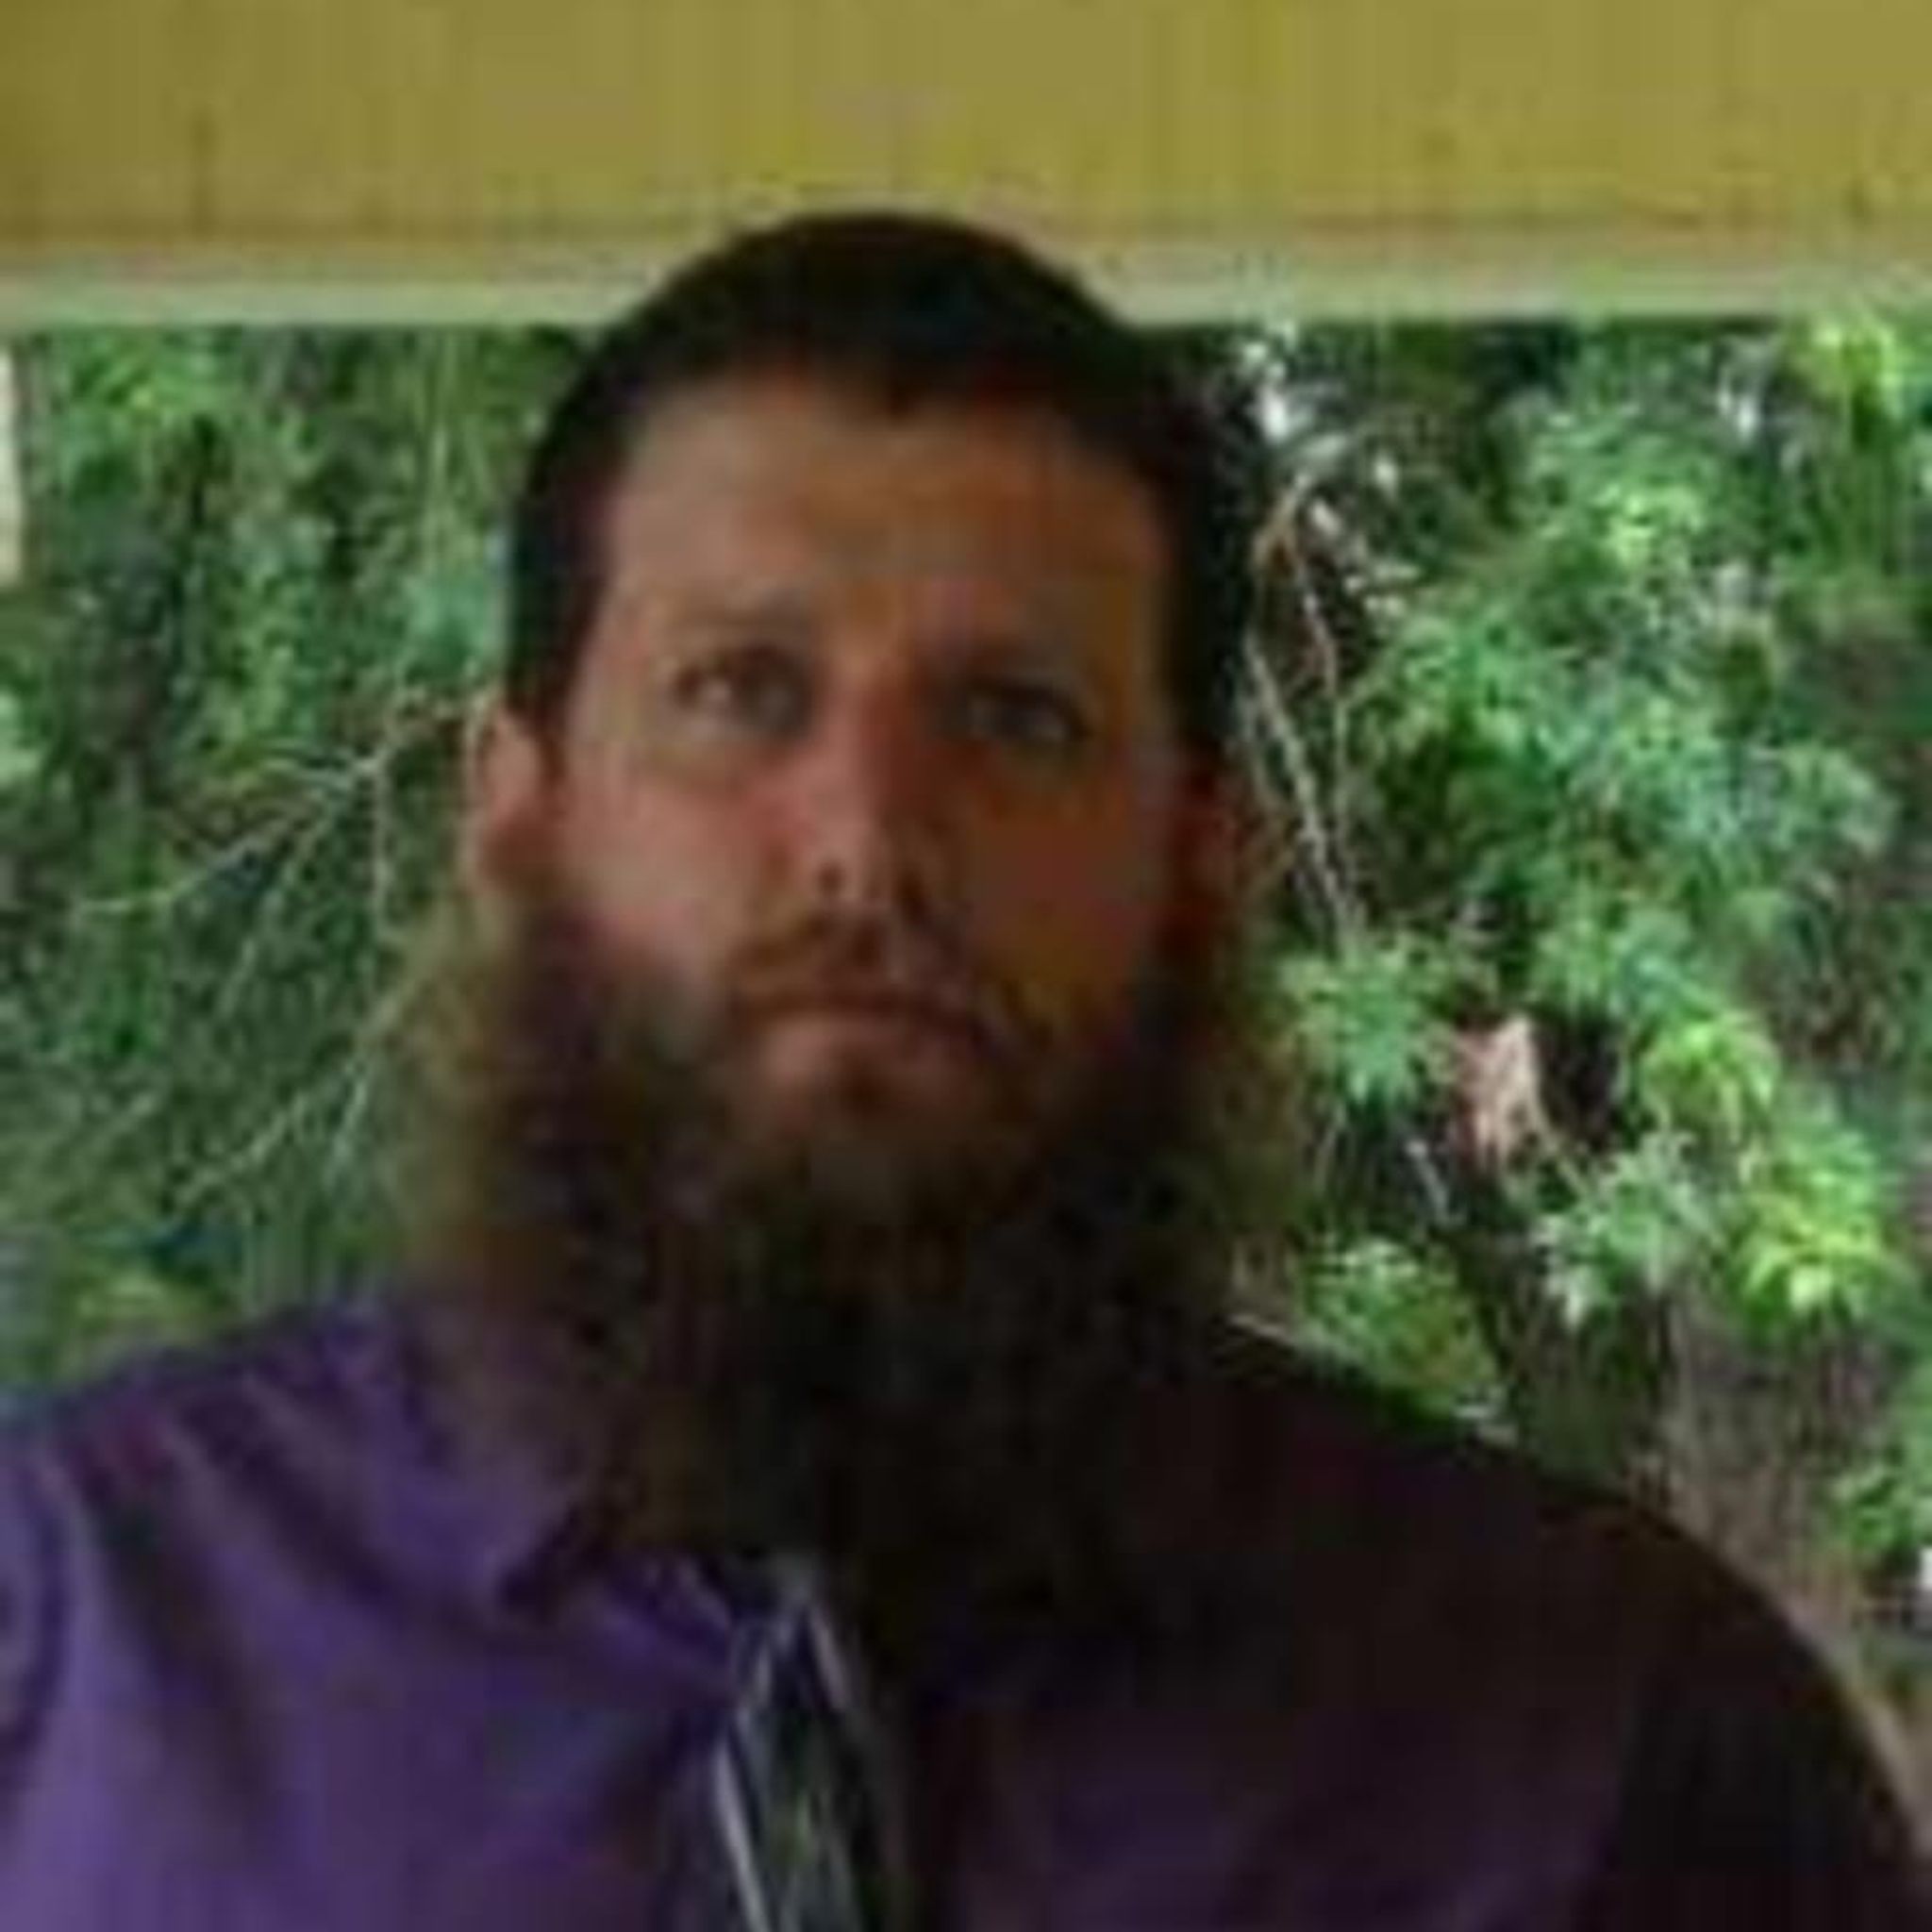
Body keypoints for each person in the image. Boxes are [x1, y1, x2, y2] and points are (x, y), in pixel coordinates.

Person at [0, 211, 1923, 1930]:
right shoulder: (61, 1651)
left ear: (1204, 866)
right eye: (740, 690)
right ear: (517, 817)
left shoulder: (1621, 1754)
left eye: (1016, 717)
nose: (866, 844)